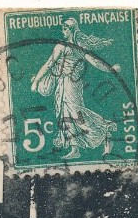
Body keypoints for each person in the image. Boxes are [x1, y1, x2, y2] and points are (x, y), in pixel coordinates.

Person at [30, 18, 120, 160]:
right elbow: (49, 64)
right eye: (63, 28)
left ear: (72, 30)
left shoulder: (76, 46)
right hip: (62, 83)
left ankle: (104, 129)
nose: (63, 31)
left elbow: (95, 62)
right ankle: (75, 149)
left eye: (65, 29)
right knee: (65, 114)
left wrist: (110, 69)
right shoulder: (61, 46)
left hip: (72, 85)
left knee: (76, 113)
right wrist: (36, 81)